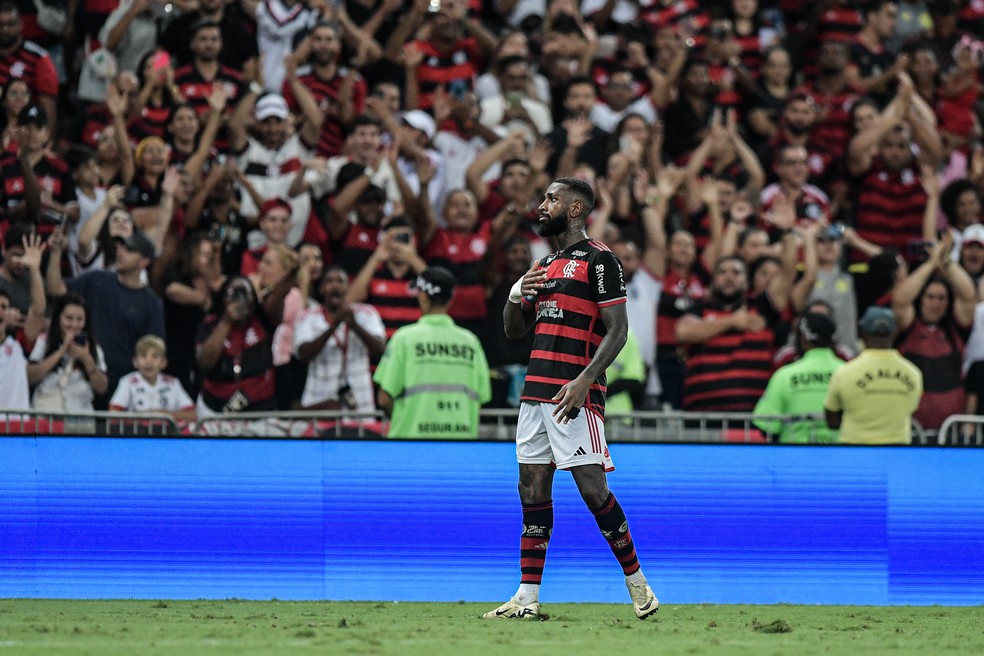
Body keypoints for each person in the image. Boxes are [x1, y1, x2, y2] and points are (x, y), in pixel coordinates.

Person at [486, 177, 657, 621]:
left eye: (551, 199)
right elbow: (513, 330)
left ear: (576, 208)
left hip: (573, 394)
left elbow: (618, 331)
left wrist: (585, 380)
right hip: (534, 395)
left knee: (592, 489)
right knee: (531, 488)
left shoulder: (601, 261)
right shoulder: (543, 265)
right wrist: (514, 294)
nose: (542, 205)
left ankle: (638, 585)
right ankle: (526, 596)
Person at [373, 266, 490, 438]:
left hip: (411, 443)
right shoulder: (470, 342)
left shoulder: (404, 338)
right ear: (451, 298)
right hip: (460, 443)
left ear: (422, 296)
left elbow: (384, 398)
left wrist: (407, 419)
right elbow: (480, 398)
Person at [824, 306, 923, 445]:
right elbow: (912, 408)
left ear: (862, 332)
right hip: (898, 451)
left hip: (854, 449)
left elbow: (831, 420)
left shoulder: (844, 372)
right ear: (895, 333)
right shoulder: (914, 373)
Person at [295, 267, 387, 414]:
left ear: (347, 287)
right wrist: (333, 327)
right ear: (321, 289)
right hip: (318, 400)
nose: (335, 285)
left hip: (360, 403)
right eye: (329, 281)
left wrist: (355, 326)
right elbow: (303, 354)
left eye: (340, 281)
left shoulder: (366, 313)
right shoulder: (308, 316)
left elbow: (380, 349)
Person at [753, 312, 844, 443]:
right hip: (842, 456)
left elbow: (767, 425)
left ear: (803, 339)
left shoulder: (784, 376)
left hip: (794, 456)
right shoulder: (848, 373)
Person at [27, 294, 109, 412]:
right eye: (69, 318)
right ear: (59, 318)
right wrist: (61, 351)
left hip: (80, 414)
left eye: (79, 319)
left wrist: (87, 359)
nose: (74, 325)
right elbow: (31, 377)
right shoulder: (44, 341)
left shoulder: (94, 347)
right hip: (46, 413)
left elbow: (102, 388)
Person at [109, 335, 196, 422]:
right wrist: (141, 417)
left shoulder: (173, 383)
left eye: (155, 357)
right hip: (137, 433)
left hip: (167, 433)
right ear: (135, 362)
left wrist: (165, 415)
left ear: (163, 362)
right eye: (143, 356)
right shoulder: (127, 382)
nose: (149, 361)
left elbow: (192, 414)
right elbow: (113, 414)